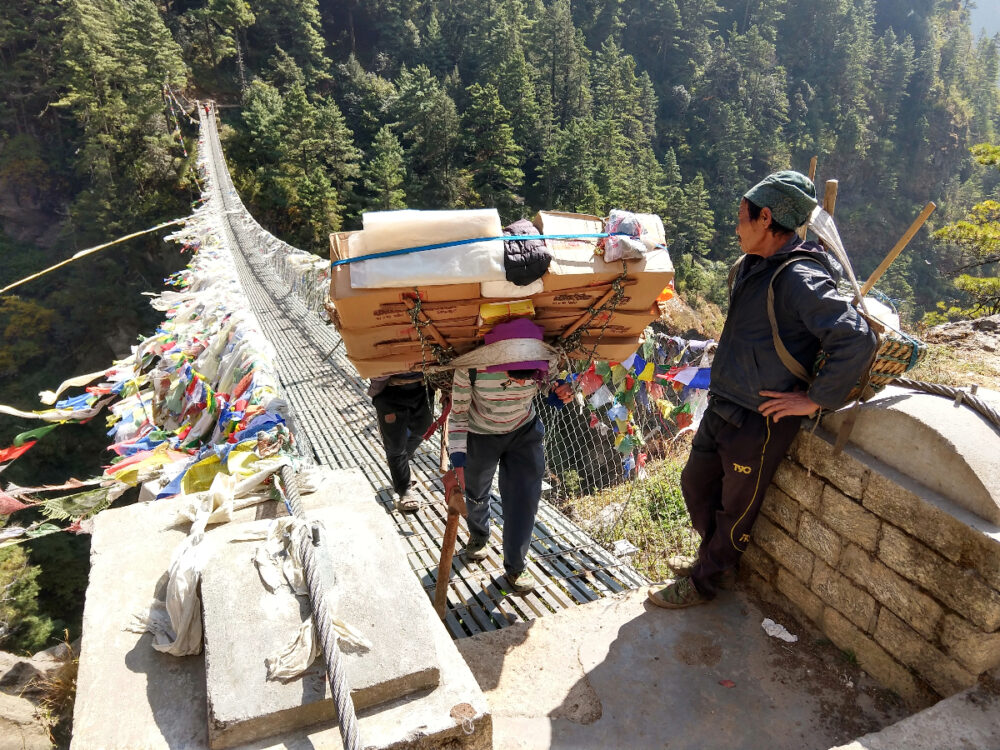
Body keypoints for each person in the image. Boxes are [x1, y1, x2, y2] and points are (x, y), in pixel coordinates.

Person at [648, 170, 879, 609]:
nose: (735, 226)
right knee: (696, 485)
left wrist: (812, 399)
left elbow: (856, 337)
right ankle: (711, 560)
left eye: (741, 216)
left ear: (766, 217)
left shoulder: (800, 278)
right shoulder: (755, 264)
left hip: (761, 419)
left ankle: (705, 582)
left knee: (737, 508)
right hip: (725, 402)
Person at [448, 318, 572, 593]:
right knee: (476, 492)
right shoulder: (470, 369)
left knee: (525, 499)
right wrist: (457, 462)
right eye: (514, 375)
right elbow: (457, 416)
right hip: (480, 434)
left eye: (528, 377)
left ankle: (516, 565)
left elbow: (551, 387)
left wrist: (560, 392)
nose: (520, 382)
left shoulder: (543, 360)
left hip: (523, 433)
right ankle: (479, 535)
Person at [368, 373, 434, 512]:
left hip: (422, 387)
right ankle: (404, 489)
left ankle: (401, 461)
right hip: (389, 391)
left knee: (424, 430)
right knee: (395, 446)